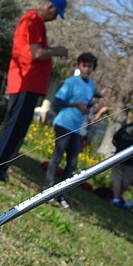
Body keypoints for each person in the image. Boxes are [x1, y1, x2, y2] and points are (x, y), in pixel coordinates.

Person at [0, 0, 69, 182]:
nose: (55, 18)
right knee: (15, 126)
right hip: (26, 82)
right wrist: (57, 51)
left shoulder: (34, 21)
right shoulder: (33, 20)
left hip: (29, 84)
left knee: (17, 127)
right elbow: (36, 53)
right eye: (56, 14)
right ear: (49, 7)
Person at [44, 53, 98, 206]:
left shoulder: (91, 86)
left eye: (89, 66)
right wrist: (75, 105)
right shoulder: (71, 82)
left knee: (72, 162)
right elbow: (57, 101)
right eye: (84, 65)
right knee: (57, 156)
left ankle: (61, 194)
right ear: (79, 66)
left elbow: (87, 104)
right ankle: (47, 189)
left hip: (78, 128)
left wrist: (90, 109)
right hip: (64, 123)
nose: (86, 69)